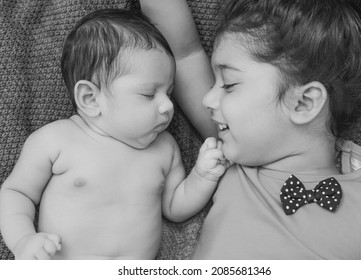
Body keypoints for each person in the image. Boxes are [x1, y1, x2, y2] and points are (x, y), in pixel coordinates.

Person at [141, 0, 361, 259]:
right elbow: (183, 53)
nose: (208, 99)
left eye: (229, 84)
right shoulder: (228, 156)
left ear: (303, 102)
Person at [0, 9, 227, 260]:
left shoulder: (165, 149)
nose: (168, 106)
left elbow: (174, 207)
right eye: (149, 94)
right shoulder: (55, 141)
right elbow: (16, 193)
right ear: (90, 98)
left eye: (169, 93)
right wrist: (23, 240)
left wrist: (203, 176)